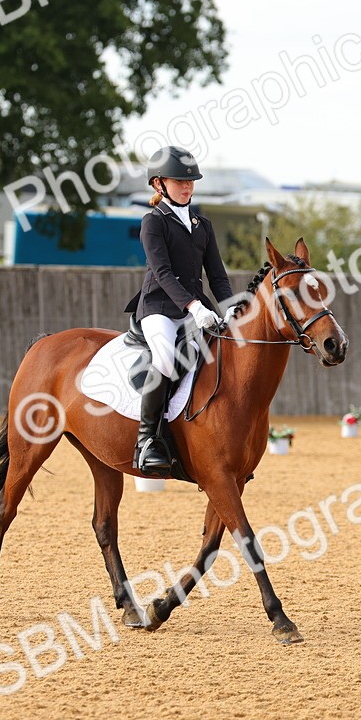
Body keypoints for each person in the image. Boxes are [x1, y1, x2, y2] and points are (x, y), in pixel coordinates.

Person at [124, 146, 235, 475]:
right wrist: (193, 307)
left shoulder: (203, 224)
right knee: (166, 360)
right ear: (159, 184)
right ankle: (147, 440)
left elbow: (216, 275)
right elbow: (163, 273)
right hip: (160, 307)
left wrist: (229, 308)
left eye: (191, 181)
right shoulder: (153, 222)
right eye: (179, 181)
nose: (187, 186)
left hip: (198, 308)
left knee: (224, 356)